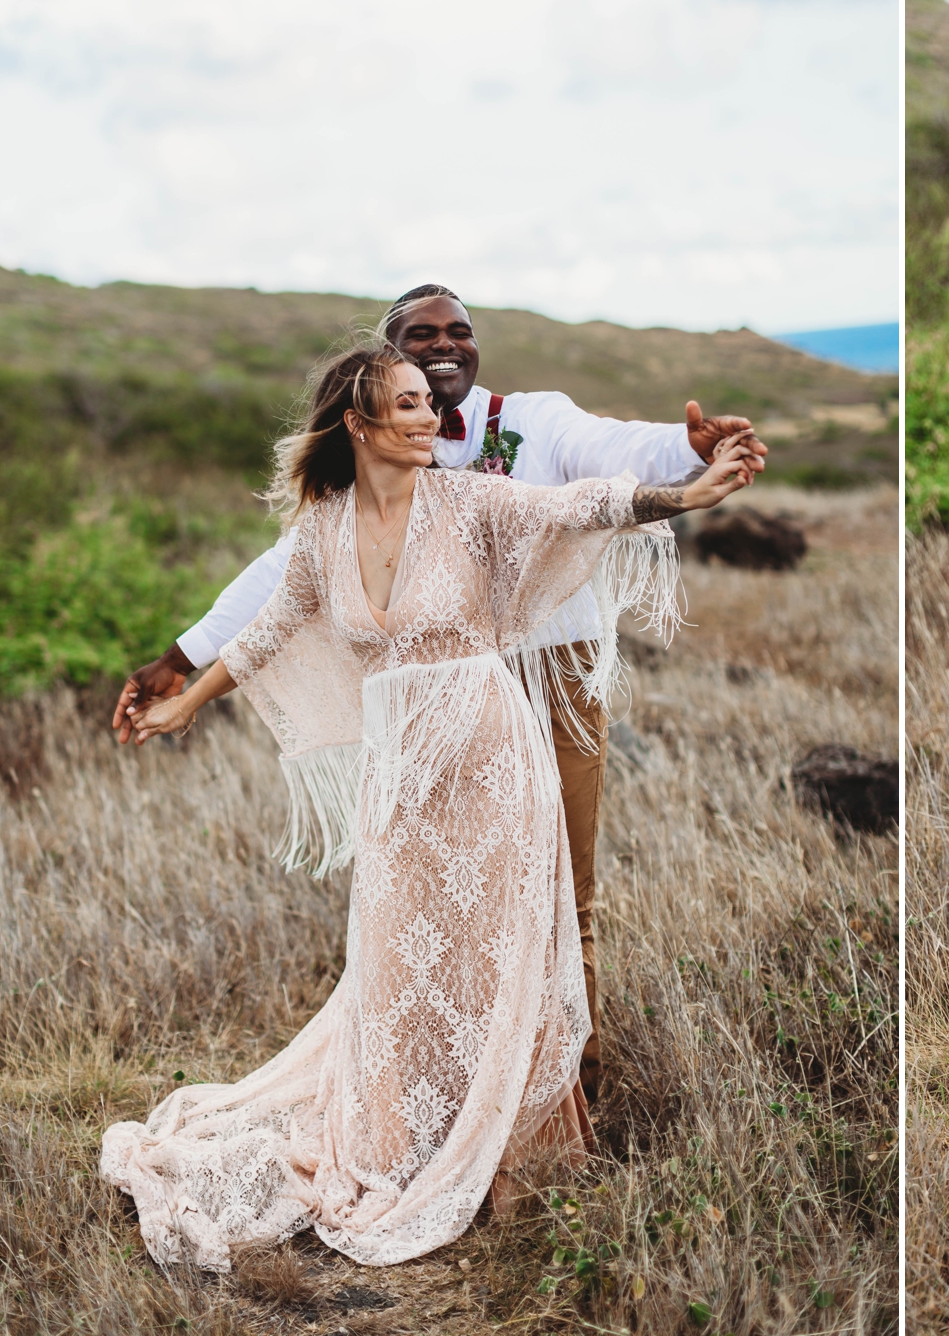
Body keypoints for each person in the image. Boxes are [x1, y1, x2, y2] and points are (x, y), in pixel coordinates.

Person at [101, 344, 759, 1271]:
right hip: (402, 767)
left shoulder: (469, 499)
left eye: (429, 403)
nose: (429, 417)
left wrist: (690, 492)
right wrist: (186, 699)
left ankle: (510, 1158)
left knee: (498, 948)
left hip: (492, 756)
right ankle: (404, 1139)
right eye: (405, 405)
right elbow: (269, 630)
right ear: (358, 424)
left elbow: (584, 502)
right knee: (400, 955)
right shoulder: (324, 531)